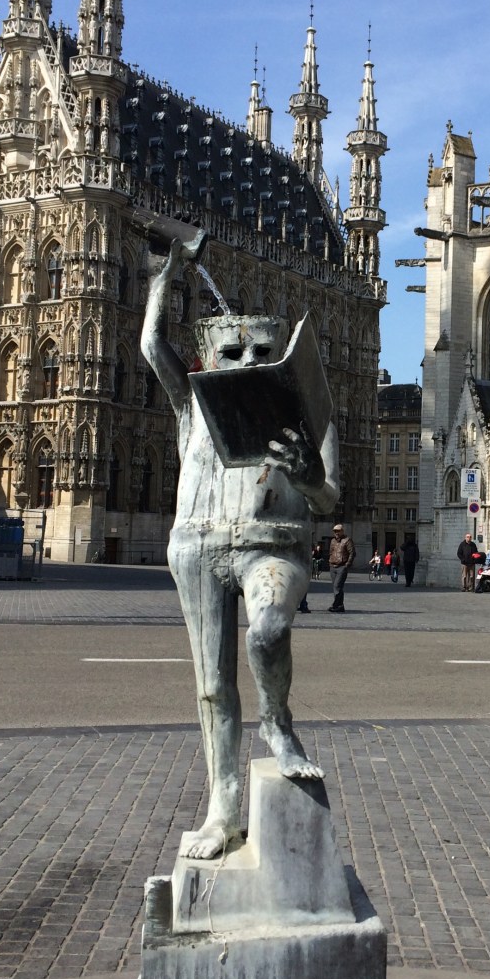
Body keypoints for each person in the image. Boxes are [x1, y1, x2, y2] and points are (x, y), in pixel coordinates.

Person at [141, 234, 335, 860]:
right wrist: (165, 275)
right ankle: (223, 812)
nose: (248, 360)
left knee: (268, 631)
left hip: (271, 546)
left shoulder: (307, 415)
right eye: (232, 350)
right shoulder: (193, 404)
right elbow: (150, 346)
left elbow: (328, 498)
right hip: (197, 546)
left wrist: (309, 474)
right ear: (208, 357)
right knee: (212, 688)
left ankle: (277, 720)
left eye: (263, 351)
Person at [328, 522, 355, 612]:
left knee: (337, 586)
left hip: (342, 566)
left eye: (338, 531)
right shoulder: (333, 541)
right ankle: (340, 606)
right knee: (336, 587)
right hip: (333, 566)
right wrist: (330, 561)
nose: (336, 533)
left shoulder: (347, 540)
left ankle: (335, 605)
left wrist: (347, 565)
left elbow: (352, 553)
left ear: (342, 531)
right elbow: (331, 552)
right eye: (335, 531)